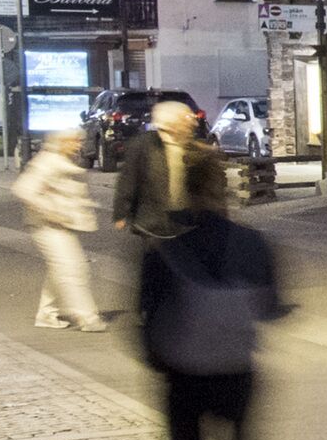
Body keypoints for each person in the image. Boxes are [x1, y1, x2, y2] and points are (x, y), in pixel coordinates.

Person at [137, 151, 289, 440]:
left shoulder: (164, 242)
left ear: (186, 188)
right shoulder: (252, 241)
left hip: (183, 373)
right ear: (224, 189)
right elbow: (271, 309)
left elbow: (146, 313)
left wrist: (157, 359)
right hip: (237, 372)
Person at [14, 126, 108, 332]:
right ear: (61, 141)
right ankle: (86, 316)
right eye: (74, 140)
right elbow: (24, 189)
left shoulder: (61, 161)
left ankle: (47, 314)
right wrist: (50, 210)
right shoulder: (48, 162)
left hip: (59, 224)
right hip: (47, 225)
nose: (78, 144)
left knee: (62, 269)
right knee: (72, 269)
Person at [111, 96, 202, 243]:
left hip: (183, 220)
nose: (193, 124)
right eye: (185, 119)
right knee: (157, 258)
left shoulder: (189, 146)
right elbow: (128, 180)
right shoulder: (144, 145)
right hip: (153, 221)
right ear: (172, 123)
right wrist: (120, 212)